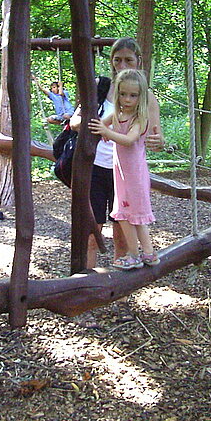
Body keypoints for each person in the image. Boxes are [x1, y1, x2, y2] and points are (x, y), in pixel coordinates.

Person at [69, 37, 165, 269]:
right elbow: (75, 122)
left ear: (138, 61)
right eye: (117, 60)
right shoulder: (99, 87)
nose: (122, 65)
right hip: (97, 167)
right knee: (93, 230)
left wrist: (156, 140)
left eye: (128, 60)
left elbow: (155, 134)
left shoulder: (145, 96)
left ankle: (122, 283)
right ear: (111, 62)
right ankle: (86, 281)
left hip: (127, 170)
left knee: (123, 225)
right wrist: (95, 126)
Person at [88, 69, 158, 269]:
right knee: (131, 215)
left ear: (141, 97)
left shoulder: (139, 118)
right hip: (121, 174)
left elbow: (128, 140)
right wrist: (98, 127)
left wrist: (106, 132)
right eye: (123, 94)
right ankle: (148, 253)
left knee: (128, 215)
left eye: (133, 95)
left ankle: (136, 254)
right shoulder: (118, 114)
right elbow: (99, 124)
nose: (127, 99)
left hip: (133, 175)